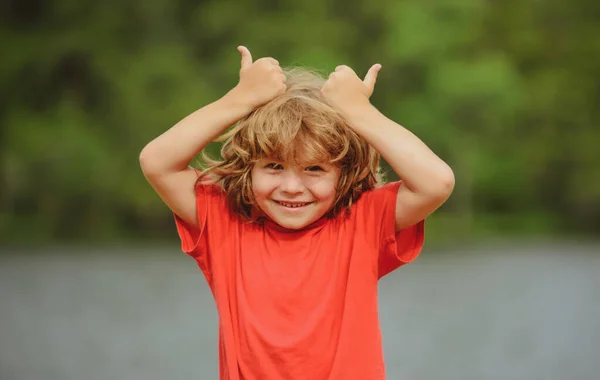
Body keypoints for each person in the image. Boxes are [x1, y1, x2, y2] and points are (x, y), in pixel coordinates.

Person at [139, 46, 455, 380]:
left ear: (343, 174)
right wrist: (239, 99)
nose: (292, 186)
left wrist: (359, 111)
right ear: (249, 168)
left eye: (315, 169)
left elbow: (436, 182)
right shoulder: (224, 222)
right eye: (274, 166)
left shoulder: (363, 221)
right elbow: (157, 163)